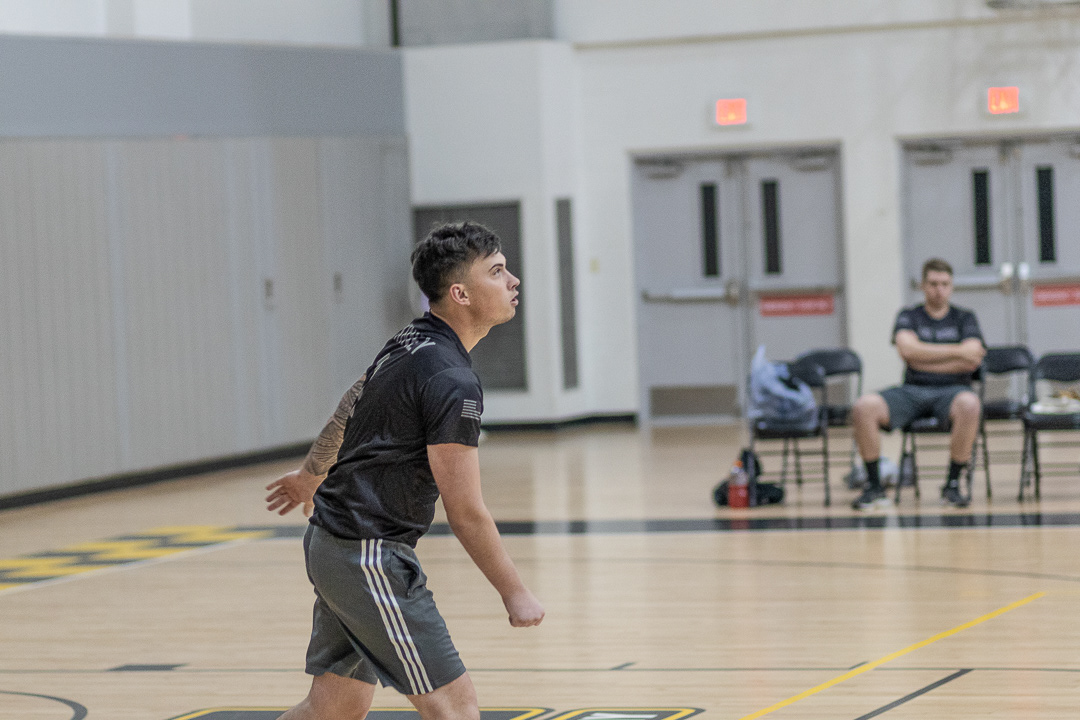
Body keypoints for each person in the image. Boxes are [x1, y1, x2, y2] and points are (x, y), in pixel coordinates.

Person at [264, 221, 544, 720]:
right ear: (460, 293)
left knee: (331, 710)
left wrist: (311, 475)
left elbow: (353, 398)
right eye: (497, 271)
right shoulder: (452, 379)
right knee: (456, 709)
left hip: (334, 544)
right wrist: (515, 592)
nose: (512, 280)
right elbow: (466, 511)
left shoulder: (411, 339)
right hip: (366, 554)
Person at [850, 258, 986, 510]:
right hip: (912, 390)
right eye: (933, 284)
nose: (939, 290)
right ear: (923, 285)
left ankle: (952, 485)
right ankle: (874, 486)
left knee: (970, 404)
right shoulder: (909, 315)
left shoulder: (965, 318)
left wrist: (923, 356)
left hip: (953, 391)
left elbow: (973, 358)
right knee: (864, 406)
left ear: (951, 286)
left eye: (944, 284)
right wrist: (957, 353)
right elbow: (907, 351)